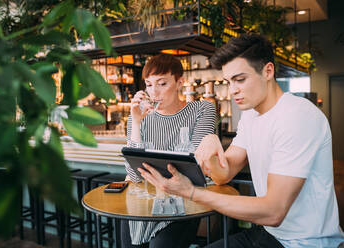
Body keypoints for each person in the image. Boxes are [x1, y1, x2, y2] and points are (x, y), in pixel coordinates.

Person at [138, 34, 344, 248]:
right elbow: (224, 174)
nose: (233, 89)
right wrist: (211, 143)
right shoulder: (251, 116)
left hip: (304, 243)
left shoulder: (298, 116)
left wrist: (191, 192)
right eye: (229, 82)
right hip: (267, 233)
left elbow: (274, 211)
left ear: (268, 71)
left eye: (240, 79)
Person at [122, 53, 216, 248]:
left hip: (183, 201)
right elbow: (134, 176)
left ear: (180, 82)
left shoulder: (201, 110)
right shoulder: (139, 117)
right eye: (148, 84)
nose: (154, 92)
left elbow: (197, 165)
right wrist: (137, 123)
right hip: (144, 202)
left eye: (162, 84)